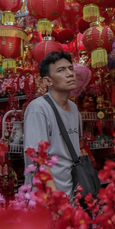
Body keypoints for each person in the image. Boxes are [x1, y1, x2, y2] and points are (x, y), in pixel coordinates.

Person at [23, 51, 81, 200]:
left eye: (70, 68)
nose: (69, 74)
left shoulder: (74, 108)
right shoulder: (38, 109)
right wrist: (55, 199)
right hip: (47, 197)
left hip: (71, 192)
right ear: (47, 81)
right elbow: (36, 157)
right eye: (61, 70)